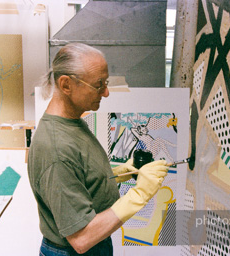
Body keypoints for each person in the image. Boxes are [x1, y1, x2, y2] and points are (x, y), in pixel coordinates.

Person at [27, 43, 169, 255]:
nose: (106, 92)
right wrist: (139, 195)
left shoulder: (72, 122)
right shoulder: (56, 148)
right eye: (98, 84)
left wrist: (115, 175)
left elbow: (77, 176)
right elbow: (81, 238)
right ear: (66, 85)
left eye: (106, 82)